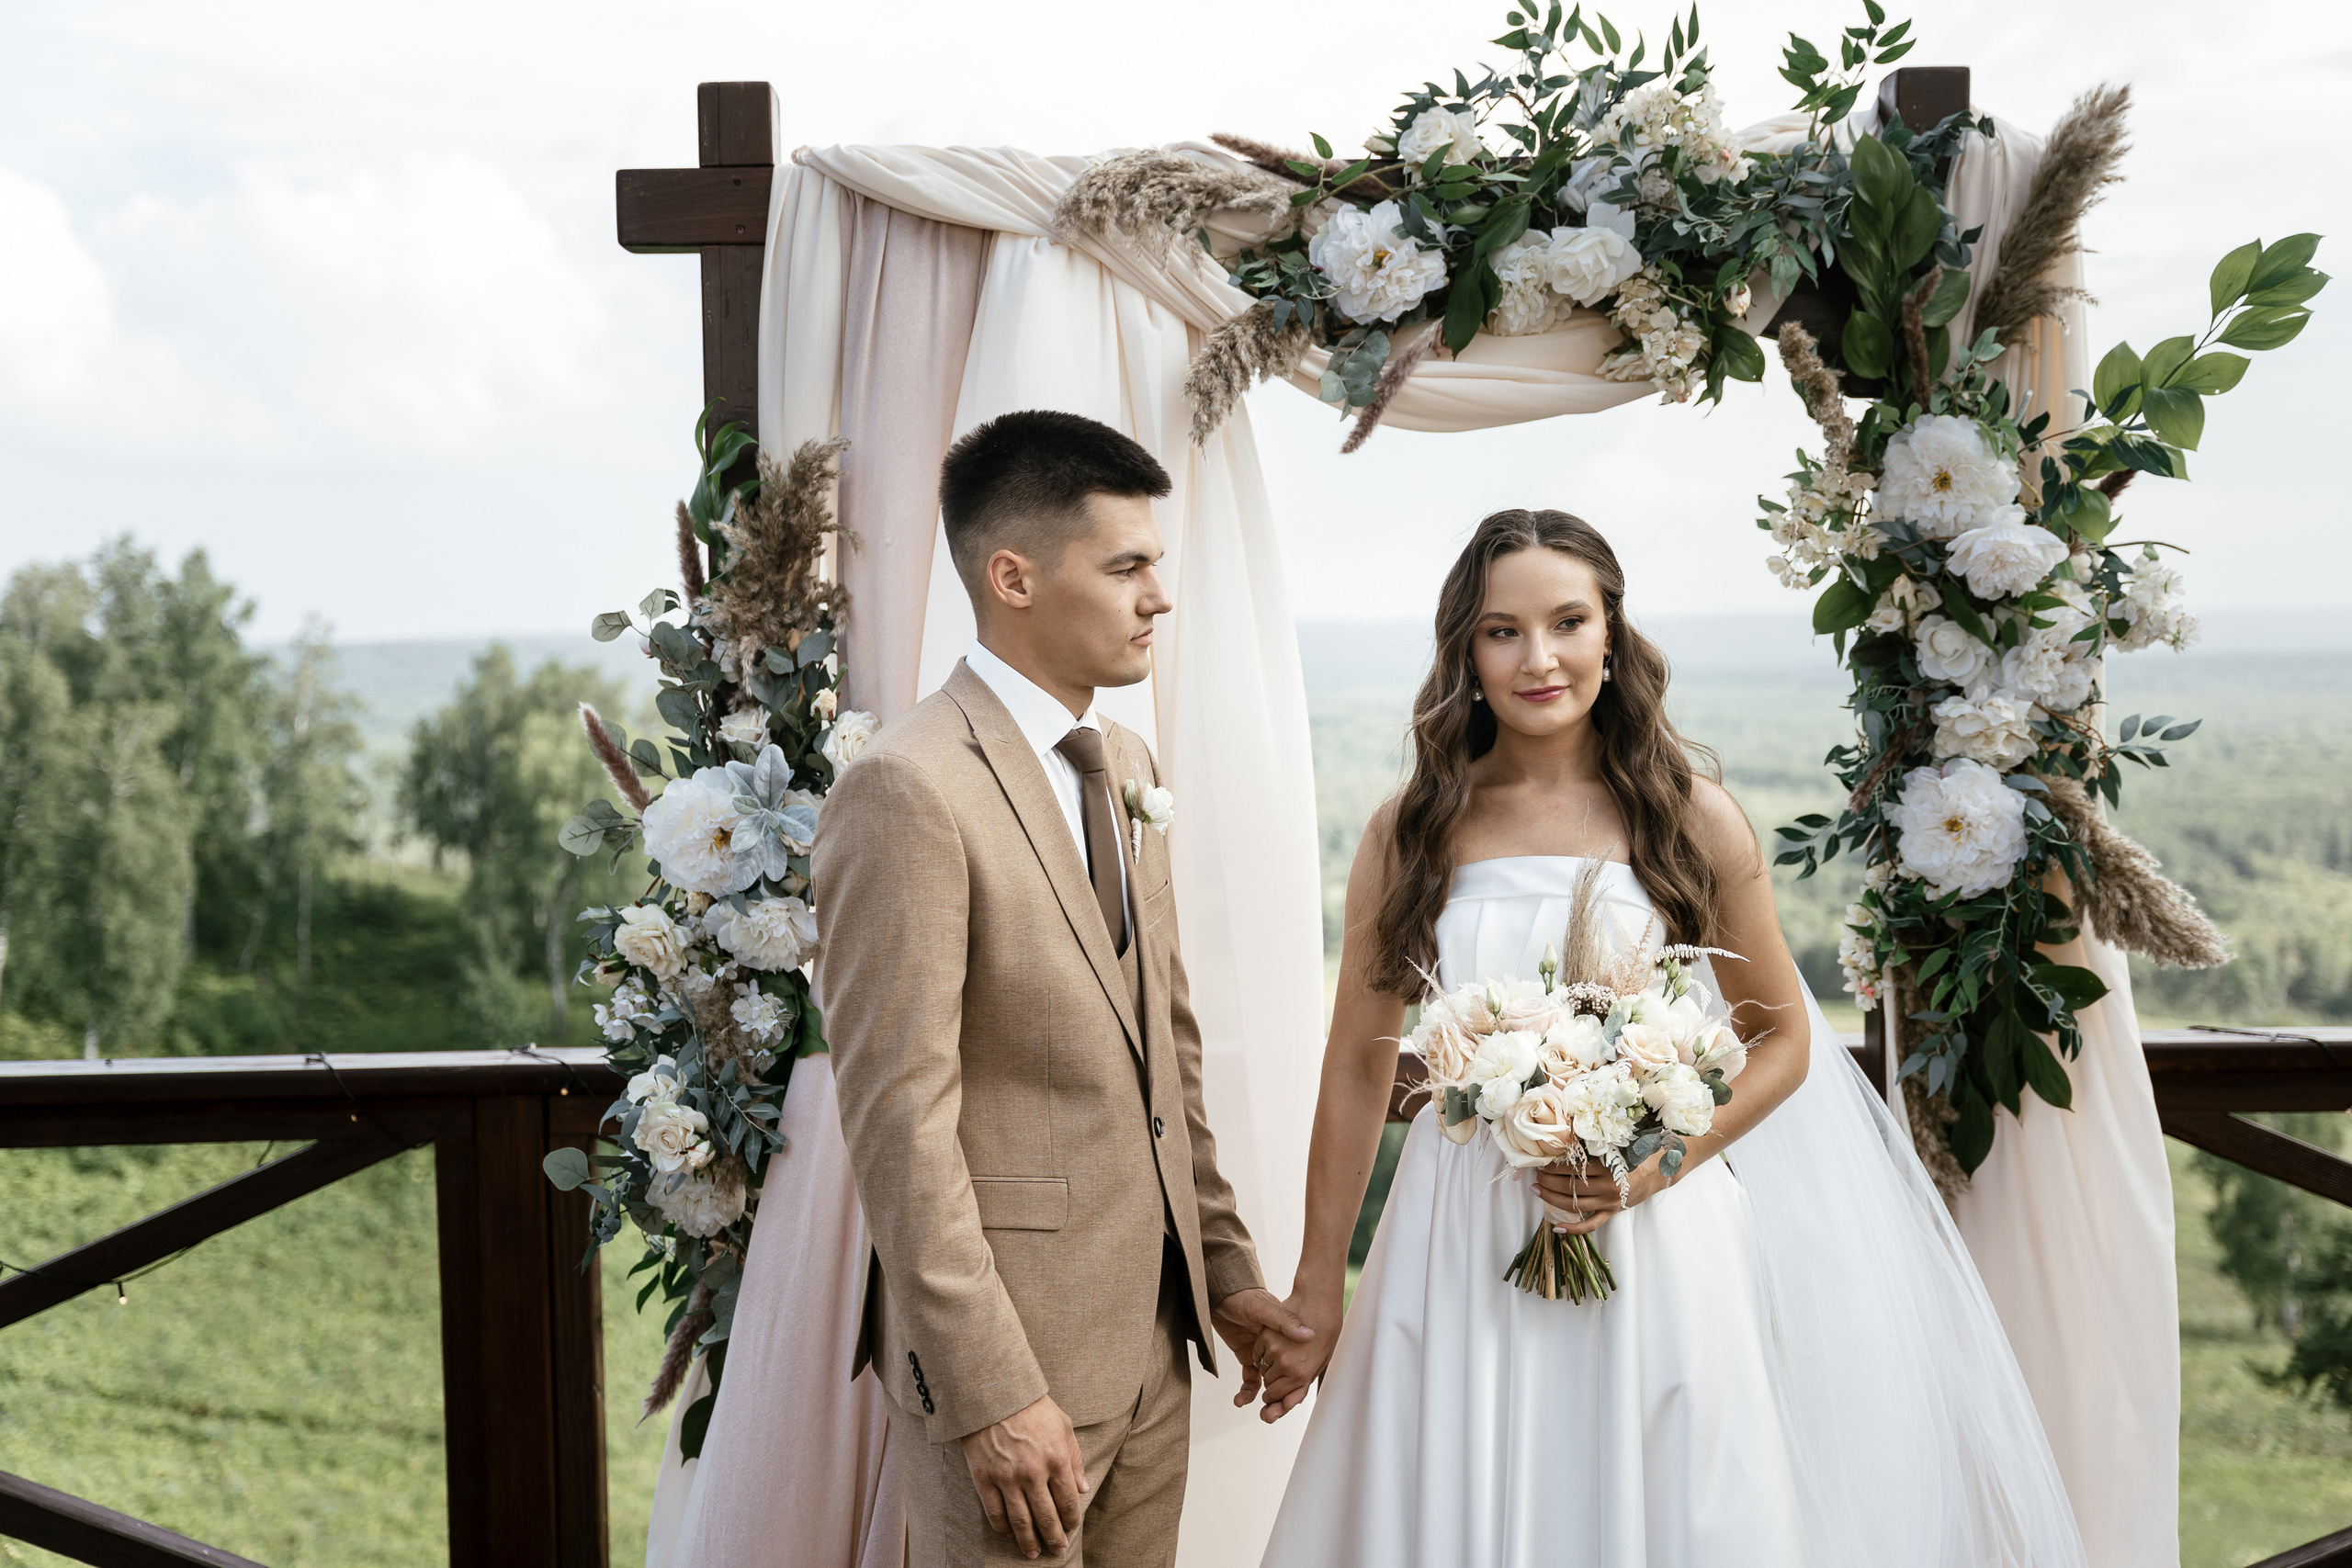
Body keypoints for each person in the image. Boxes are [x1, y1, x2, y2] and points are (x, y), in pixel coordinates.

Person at [1250, 509, 2087, 1566]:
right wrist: (1320, 1287)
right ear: (1464, 647)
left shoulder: (1691, 817)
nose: (1538, 658)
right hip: (1454, 1237)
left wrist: (1654, 1166)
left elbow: (1783, 1041)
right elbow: (1355, 1069)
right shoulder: (1411, 826)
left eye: (1567, 622)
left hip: (1654, 1231)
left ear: (1613, 635)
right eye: (1502, 631)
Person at [814, 409, 1310, 1567]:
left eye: (1157, 564)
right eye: (1127, 564)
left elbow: (1162, 1055)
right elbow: (899, 1126)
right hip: (1014, 1366)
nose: (1157, 596)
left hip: (1153, 1343)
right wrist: (988, 1390)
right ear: (1014, 576)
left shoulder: (1124, 766)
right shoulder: (908, 790)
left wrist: (1226, 1278)